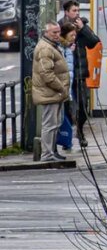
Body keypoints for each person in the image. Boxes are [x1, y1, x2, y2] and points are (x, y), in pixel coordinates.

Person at [61, 0, 100, 147]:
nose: (77, 13)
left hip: (80, 72)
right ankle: (66, 137)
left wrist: (83, 28)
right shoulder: (60, 27)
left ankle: (80, 130)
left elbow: (94, 41)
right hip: (65, 74)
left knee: (83, 105)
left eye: (78, 10)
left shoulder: (81, 26)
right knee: (67, 107)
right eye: (74, 11)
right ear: (66, 12)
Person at [32, 21, 70, 162]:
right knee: (49, 125)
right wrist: (61, 87)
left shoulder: (51, 46)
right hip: (50, 92)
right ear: (46, 32)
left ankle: (51, 152)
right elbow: (46, 73)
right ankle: (47, 154)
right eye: (53, 32)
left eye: (58, 32)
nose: (57, 35)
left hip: (55, 93)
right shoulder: (45, 48)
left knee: (55, 124)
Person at [58, 21, 78, 153]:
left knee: (67, 115)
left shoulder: (70, 47)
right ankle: (65, 141)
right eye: (72, 35)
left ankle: (67, 140)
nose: (74, 37)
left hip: (68, 87)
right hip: (63, 88)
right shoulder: (63, 48)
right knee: (63, 115)